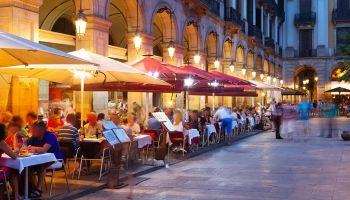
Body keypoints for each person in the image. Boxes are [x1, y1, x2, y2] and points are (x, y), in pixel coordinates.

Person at [28, 121, 62, 198]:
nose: (31, 131)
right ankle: (30, 188)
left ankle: (38, 189)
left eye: (34, 130)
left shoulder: (51, 136)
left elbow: (44, 150)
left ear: (42, 130)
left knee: (42, 165)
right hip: (41, 160)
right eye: (32, 129)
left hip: (56, 160)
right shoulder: (33, 137)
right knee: (27, 167)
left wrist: (31, 148)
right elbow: (24, 147)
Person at [0, 124, 21, 200]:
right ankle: (16, 196)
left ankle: (2, 195)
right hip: (0, 172)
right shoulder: (1, 142)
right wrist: (17, 151)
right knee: (13, 170)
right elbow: (14, 156)